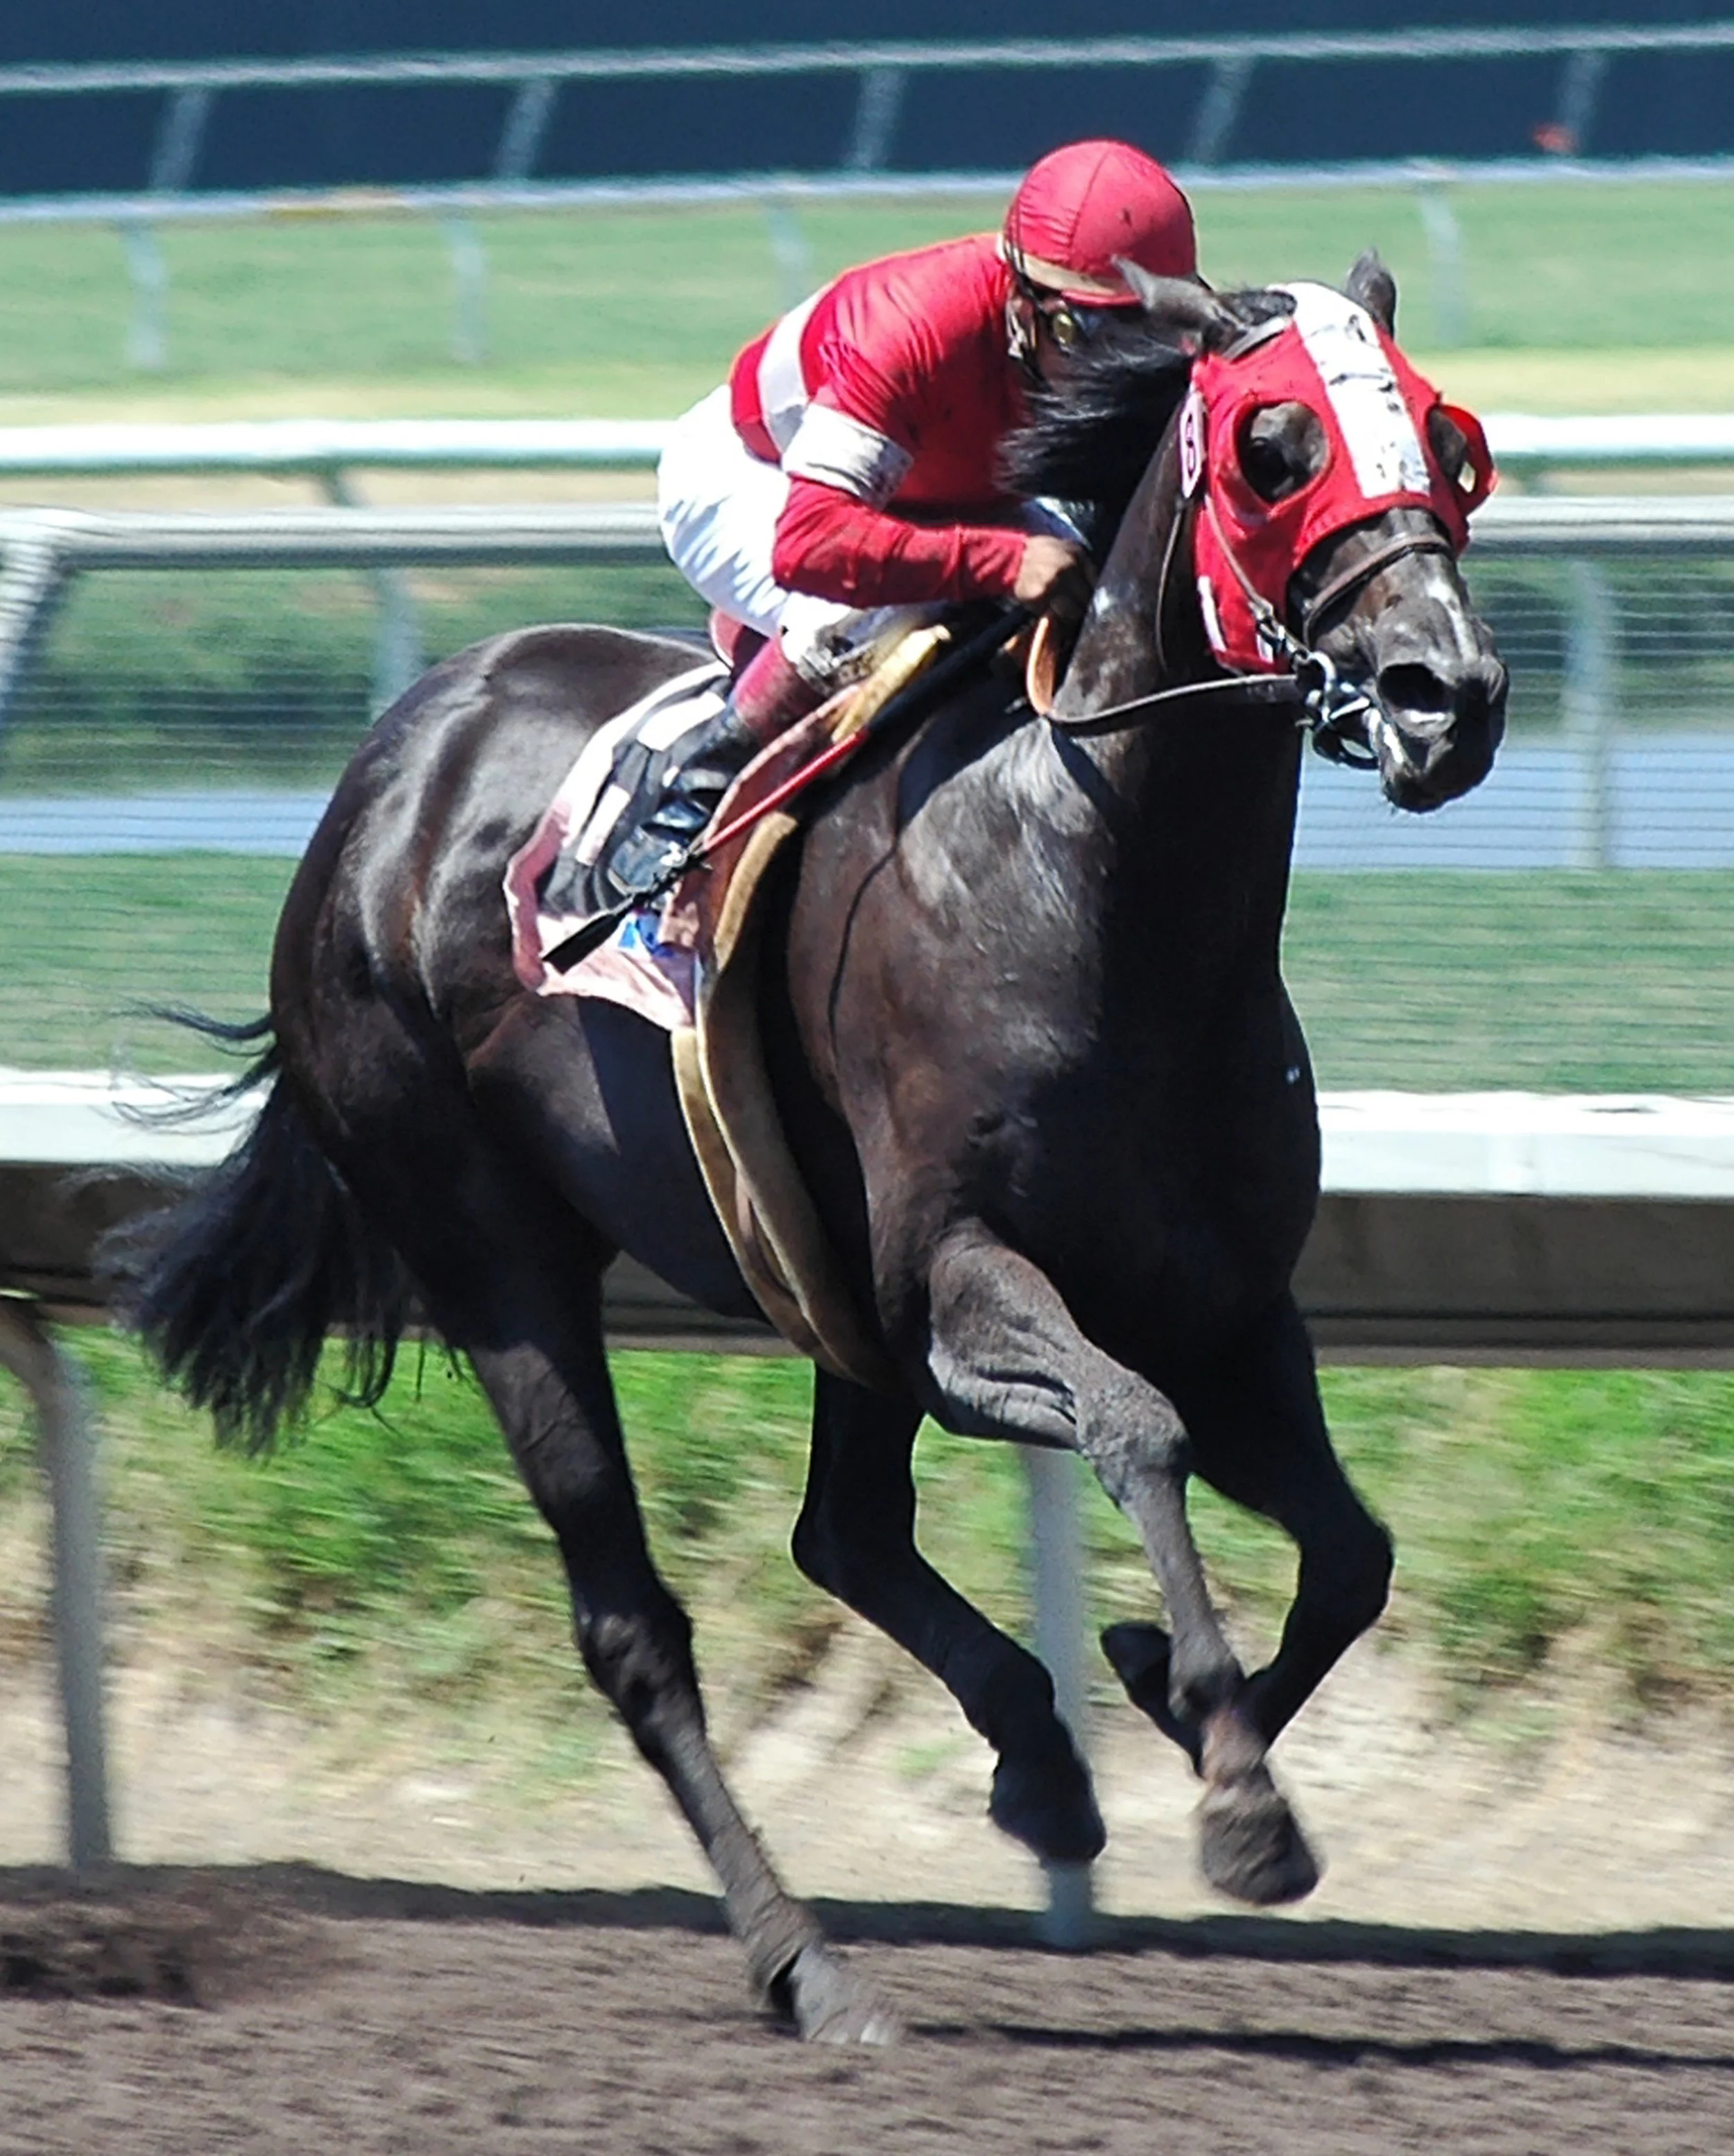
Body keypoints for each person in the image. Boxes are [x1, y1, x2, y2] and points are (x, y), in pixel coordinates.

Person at [622, 139, 1201, 893]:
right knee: (875, 610)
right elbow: (812, 544)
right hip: (754, 477)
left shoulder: (1127, 344)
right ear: (1023, 303)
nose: (1120, 366)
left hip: (944, 493)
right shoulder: (911, 328)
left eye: (1145, 331)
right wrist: (1002, 561)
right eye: (1085, 333)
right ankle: (687, 803)